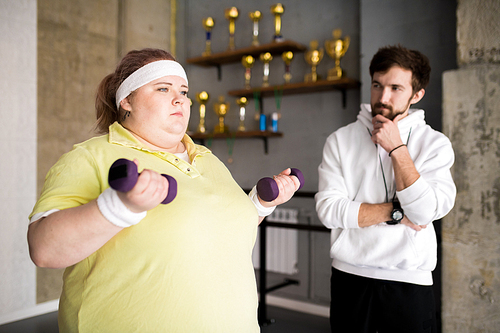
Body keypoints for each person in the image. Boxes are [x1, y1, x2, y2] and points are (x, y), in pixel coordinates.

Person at [28, 48, 301, 332]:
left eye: (184, 92)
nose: (179, 99)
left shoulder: (207, 157)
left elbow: (220, 230)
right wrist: (120, 207)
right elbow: (43, 250)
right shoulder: (90, 156)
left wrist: (260, 204)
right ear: (127, 101)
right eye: (163, 88)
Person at [315, 45, 456, 333]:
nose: (383, 97)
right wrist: (395, 213)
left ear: (416, 95)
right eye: (377, 85)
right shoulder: (340, 140)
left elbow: (423, 212)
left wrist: (397, 148)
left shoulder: (435, 145)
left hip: (409, 282)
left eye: (395, 88)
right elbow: (328, 211)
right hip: (349, 277)